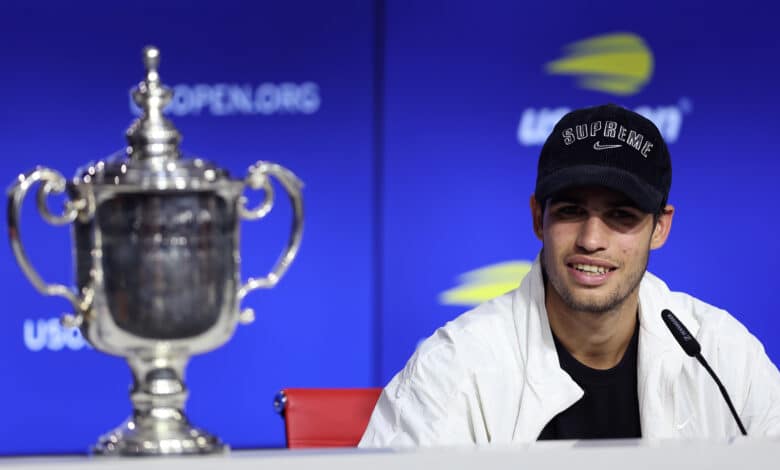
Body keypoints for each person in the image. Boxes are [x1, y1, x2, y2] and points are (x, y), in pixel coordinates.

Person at [359, 104, 780, 447]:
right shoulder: (453, 368)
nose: (591, 239)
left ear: (661, 228)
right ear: (537, 219)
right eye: (571, 212)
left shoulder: (723, 357)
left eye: (621, 215)